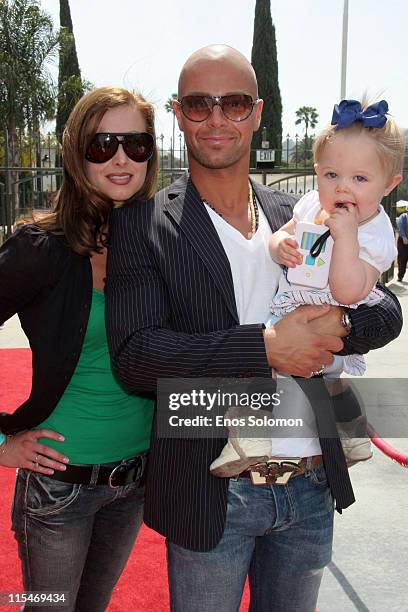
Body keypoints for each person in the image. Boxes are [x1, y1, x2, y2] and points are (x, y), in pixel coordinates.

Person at [106, 46, 402, 612]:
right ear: (177, 112)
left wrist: (337, 321)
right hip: (210, 489)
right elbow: (137, 356)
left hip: (311, 485)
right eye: (199, 103)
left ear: (257, 112)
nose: (217, 118)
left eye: (234, 103)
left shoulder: (306, 209)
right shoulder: (143, 225)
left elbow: (386, 309)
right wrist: (266, 347)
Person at [0, 86, 158, 612]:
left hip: (133, 483)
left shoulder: (159, 244)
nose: (120, 157)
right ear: (76, 153)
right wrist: (1, 441)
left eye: (135, 144)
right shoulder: (39, 248)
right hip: (57, 489)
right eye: (102, 144)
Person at [211, 98, 404, 475]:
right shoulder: (311, 202)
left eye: (360, 179)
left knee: (324, 375)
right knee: (262, 361)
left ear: (389, 185)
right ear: (317, 173)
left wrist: (345, 237)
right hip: (288, 306)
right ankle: (252, 440)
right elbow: (286, 233)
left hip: (331, 317)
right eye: (332, 175)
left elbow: (351, 291)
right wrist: (277, 245)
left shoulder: (376, 233)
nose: (342, 188)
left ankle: (347, 432)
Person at [396, 207, 408, 282]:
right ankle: (400, 276)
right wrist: (404, 236)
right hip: (404, 241)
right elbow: (400, 225)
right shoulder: (404, 216)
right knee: (402, 259)